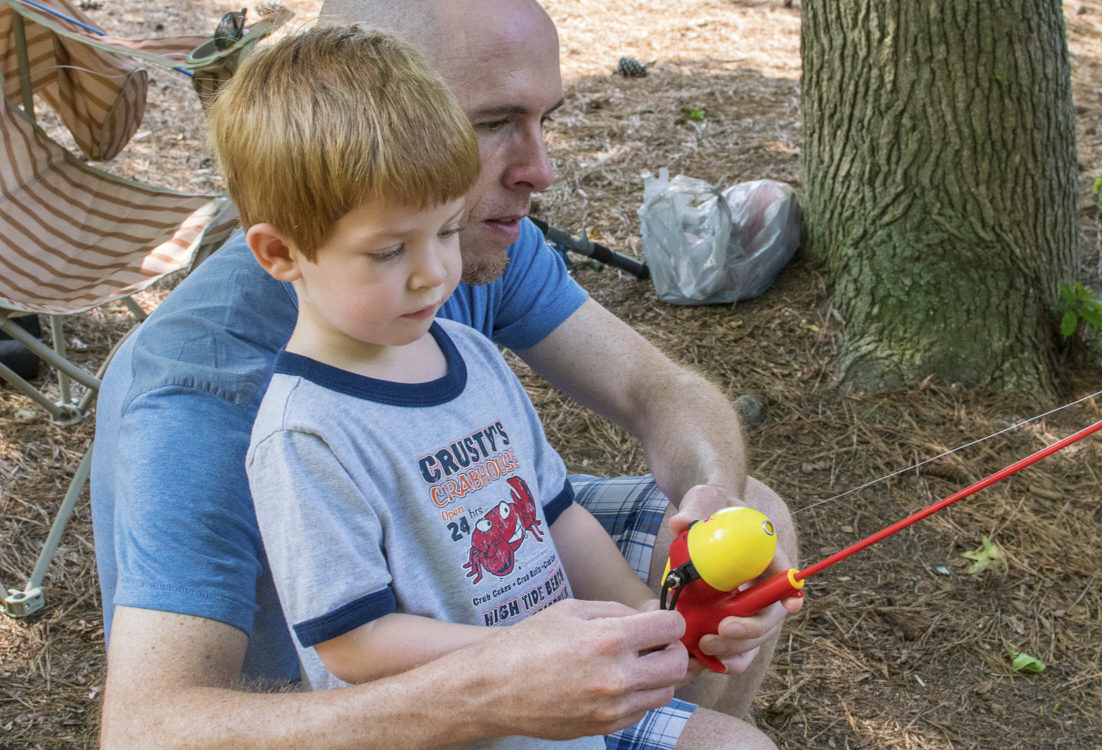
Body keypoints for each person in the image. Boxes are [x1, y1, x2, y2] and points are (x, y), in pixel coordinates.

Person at [91, 1, 800, 747]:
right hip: (340, 715)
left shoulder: (450, 250)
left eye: (543, 119)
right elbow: (148, 730)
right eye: (494, 122)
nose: (541, 170)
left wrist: (700, 527)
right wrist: (495, 681)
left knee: (753, 512)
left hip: (487, 578)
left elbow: (658, 393)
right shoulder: (210, 394)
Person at [220, 26, 721, 748]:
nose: (433, 274)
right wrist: (518, 659)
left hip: (569, 701)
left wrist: (651, 618)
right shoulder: (307, 433)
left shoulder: (470, 356)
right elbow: (352, 642)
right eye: (390, 249)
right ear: (280, 252)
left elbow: (556, 519)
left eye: (448, 231)